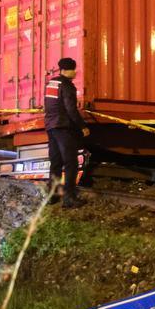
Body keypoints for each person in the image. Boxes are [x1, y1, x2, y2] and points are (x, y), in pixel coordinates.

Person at [44, 57, 91, 208]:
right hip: (63, 127)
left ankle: (52, 195)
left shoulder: (51, 83)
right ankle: (69, 198)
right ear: (64, 70)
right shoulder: (67, 86)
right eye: (72, 69)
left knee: (56, 162)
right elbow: (71, 109)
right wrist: (82, 126)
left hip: (51, 127)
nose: (75, 72)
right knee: (71, 162)